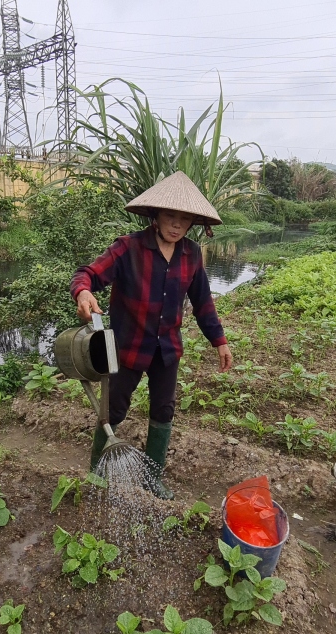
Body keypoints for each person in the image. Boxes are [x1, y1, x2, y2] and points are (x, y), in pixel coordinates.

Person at [70, 171, 234, 499]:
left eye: (184, 219)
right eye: (170, 216)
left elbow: (203, 303)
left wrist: (220, 341)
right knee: (113, 409)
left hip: (167, 350)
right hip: (128, 347)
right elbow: (87, 273)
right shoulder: (128, 248)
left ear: (192, 223)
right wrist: (83, 293)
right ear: (155, 216)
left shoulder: (191, 255)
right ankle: (96, 472)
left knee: (164, 410)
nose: (176, 224)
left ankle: (153, 478)